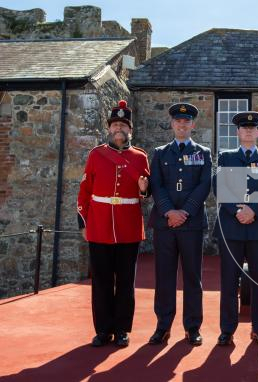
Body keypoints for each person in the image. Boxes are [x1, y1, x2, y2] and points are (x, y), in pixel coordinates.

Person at [77, 99, 150, 347]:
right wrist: (83, 223)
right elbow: (85, 191)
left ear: (130, 129)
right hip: (99, 226)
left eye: (123, 125)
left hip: (128, 226)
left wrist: (143, 190)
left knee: (126, 282)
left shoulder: (140, 157)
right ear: (109, 128)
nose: (119, 128)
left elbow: (145, 191)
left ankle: (121, 330)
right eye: (115, 124)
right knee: (101, 281)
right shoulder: (96, 155)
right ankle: (103, 330)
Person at [147, 103, 212, 346]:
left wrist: (184, 212)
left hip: (191, 223)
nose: (182, 125)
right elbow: (156, 183)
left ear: (193, 125)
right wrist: (169, 212)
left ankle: (192, 327)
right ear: (172, 124)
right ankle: (162, 326)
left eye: (187, 121)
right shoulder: (161, 152)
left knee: (192, 277)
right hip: (165, 224)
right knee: (164, 277)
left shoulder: (203, 153)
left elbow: (204, 185)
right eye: (178, 121)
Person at [213, 111, 258, 347]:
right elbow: (219, 186)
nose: (249, 131)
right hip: (231, 227)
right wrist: (236, 211)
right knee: (229, 281)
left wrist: (254, 210)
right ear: (238, 132)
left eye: (253, 128)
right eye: (244, 128)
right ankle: (227, 330)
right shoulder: (226, 157)